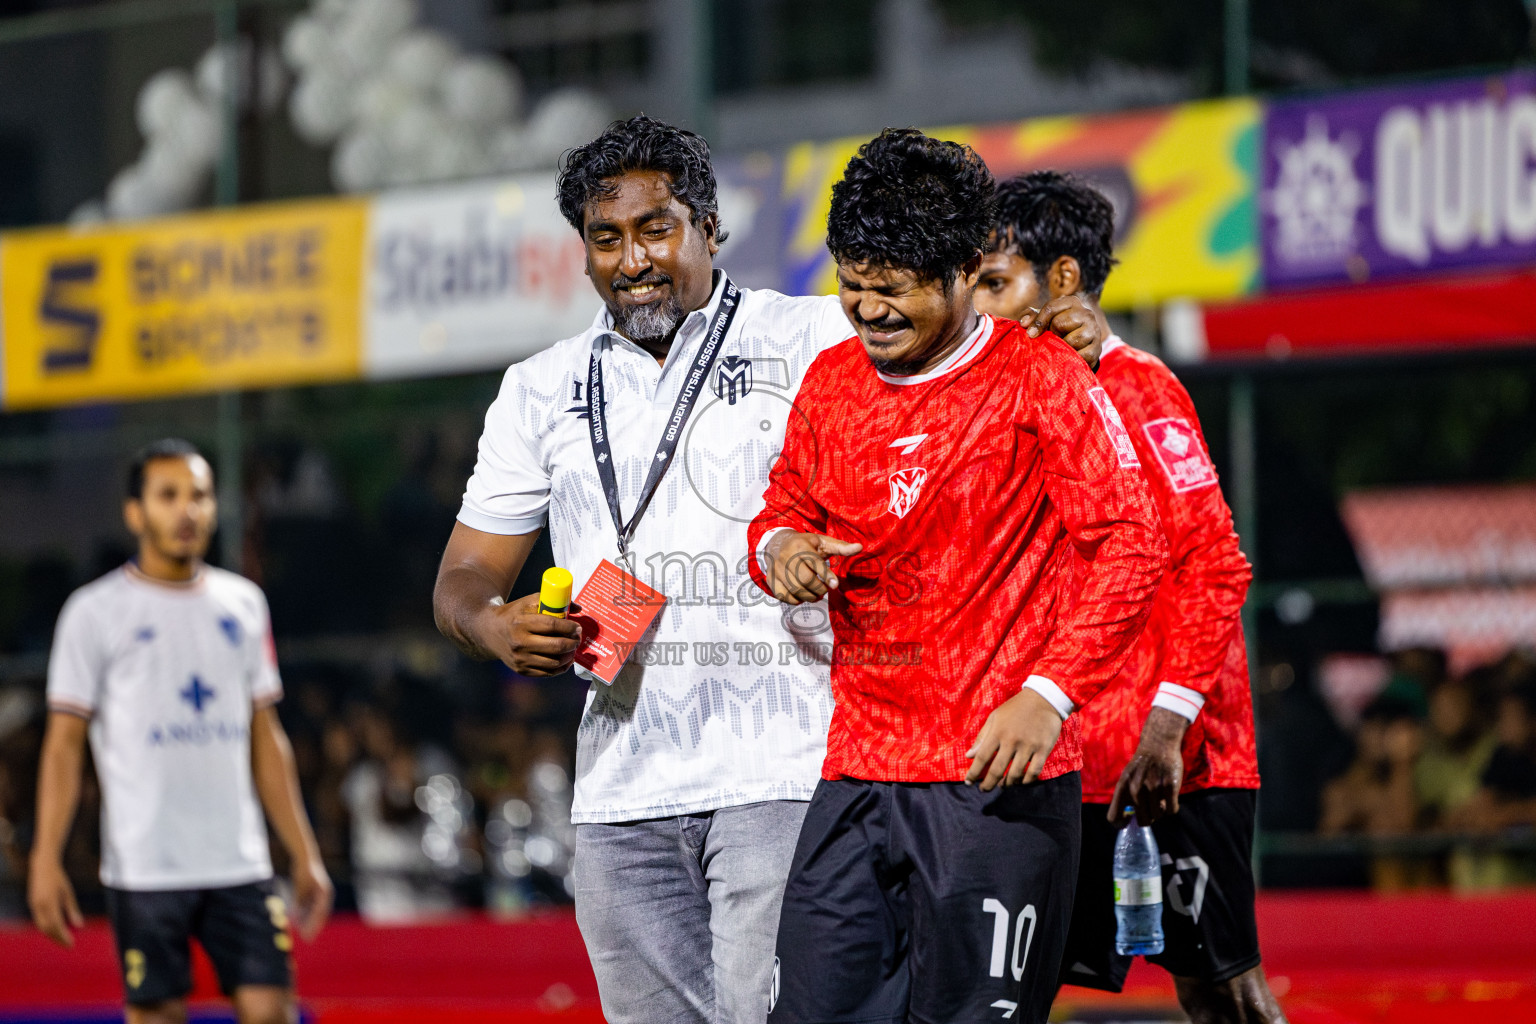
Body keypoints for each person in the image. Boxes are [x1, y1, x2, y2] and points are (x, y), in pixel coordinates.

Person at [432, 116, 1109, 1024]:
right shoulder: (538, 389)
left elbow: (950, 321)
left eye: (657, 228)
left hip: (788, 768)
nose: (633, 258)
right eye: (606, 238)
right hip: (621, 785)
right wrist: (493, 624)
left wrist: (1073, 328)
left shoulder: (813, 333)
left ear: (710, 228)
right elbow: (462, 578)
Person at [748, 128, 1167, 1024]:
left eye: (890, 291)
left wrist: (1049, 695)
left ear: (962, 272)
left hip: (997, 783)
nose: (866, 311)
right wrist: (781, 548)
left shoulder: (1041, 381)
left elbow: (1133, 543)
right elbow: (783, 504)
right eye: (850, 285)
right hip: (857, 773)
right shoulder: (829, 384)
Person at [972, 170, 1284, 1024]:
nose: (975, 305)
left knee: (1223, 989)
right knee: (1007, 990)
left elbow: (1215, 564)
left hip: (1171, 759)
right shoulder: (1003, 392)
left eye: (994, 283)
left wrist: (1169, 724)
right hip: (1054, 752)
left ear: (1062, 281)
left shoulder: (1141, 389)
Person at [29, 439, 331, 1024]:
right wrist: (46, 858)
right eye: (168, 496)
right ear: (135, 513)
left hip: (239, 864)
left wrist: (304, 853)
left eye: (198, 495)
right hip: (145, 867)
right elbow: (63, 746)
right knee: (158, 1015)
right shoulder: (94, 613)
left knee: (271, 1011)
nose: (186, 511)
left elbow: (265, 737)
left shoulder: (242, 604)